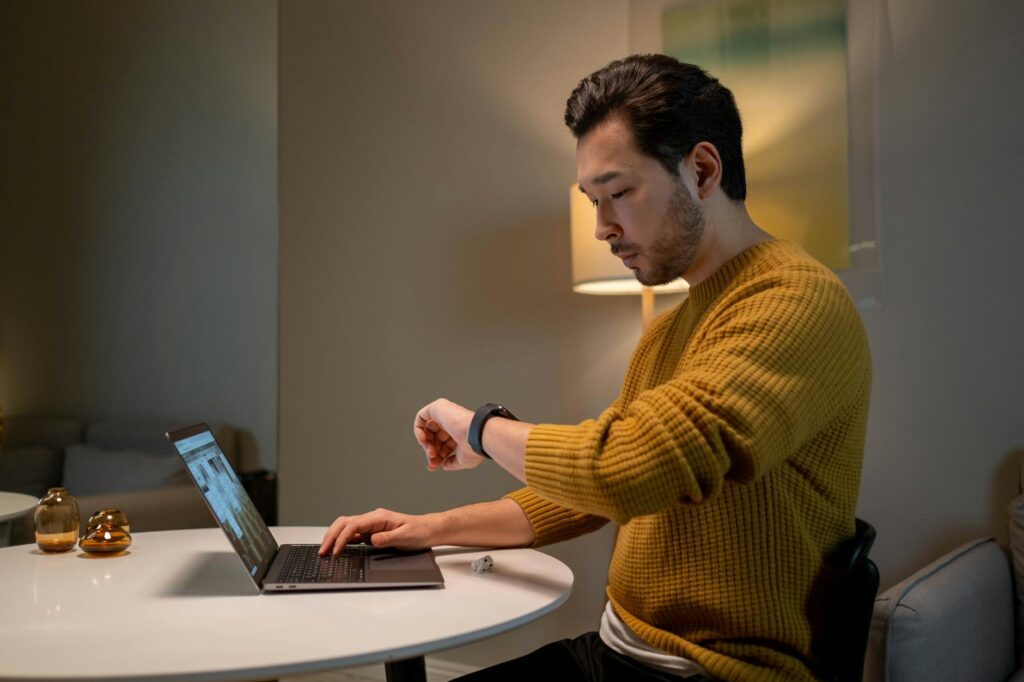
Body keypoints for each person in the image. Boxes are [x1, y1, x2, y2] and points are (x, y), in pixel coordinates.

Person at [320, 54, 871, 681]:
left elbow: (622, 470)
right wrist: (429, 529)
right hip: (616, 652)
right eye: (593, 200)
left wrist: (480, 427)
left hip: (708, 672)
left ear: (701, 170)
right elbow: (588, 497)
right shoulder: (671, 329)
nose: (603, 227)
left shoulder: (795, 302)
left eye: (619, 194)